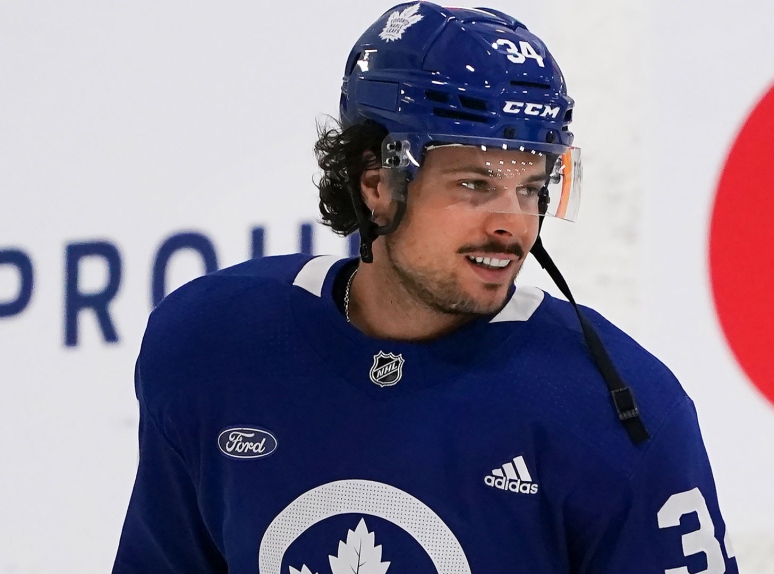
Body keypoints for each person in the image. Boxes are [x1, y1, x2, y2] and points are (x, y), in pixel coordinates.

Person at [113, 3, 738, 572]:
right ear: (377, 184)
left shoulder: (614, 406)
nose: (511, 223)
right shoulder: (212, 342)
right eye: (473, 184)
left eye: (530, 187)